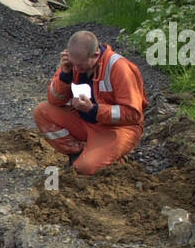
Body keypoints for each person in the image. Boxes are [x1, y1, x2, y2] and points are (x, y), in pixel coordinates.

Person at [33, 30, 148, 175]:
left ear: (95, 55)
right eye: (74, 65)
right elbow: (54, 100)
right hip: (87, 122)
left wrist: (94, 109)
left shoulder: (120, 68)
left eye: (80, 66)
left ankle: (106, 158)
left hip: (118, 129)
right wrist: (65, 75)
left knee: (85, 168)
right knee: (42, 112)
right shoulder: (74, 63)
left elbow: (133, 114)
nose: (77, 69)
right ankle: (79, 152)